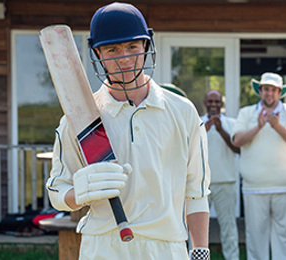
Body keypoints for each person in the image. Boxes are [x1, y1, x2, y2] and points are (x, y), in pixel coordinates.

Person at [45, 3, 210, 259]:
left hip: (166, 246)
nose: (124, 58)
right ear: (98, 54)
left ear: (146, 46)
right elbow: (56, 190)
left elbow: (196, 191)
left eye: (132, 46)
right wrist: (79, 193)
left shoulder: (183, 112)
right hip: (103, 246)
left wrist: (200, 252)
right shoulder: (78, 119)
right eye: (112, 49)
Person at [231, 72, 286, 260]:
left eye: (273, 90)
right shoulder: (246, 112)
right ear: (260, 91)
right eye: (266, 89)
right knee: (256, 238)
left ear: (280, 92)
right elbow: (237, 140)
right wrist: (258, 126)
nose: (269, 94)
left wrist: (277, 127)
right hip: (254, 188)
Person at [201, 90, 240, 260]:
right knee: (198, 230)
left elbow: (237, 149)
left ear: (221, 104)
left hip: (226, 182)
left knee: (229, 228)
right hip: (201, 183)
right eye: (210, 101)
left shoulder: (231, 123)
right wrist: (204, 131)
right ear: (205, 103)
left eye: (217, 102)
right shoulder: (197, 123)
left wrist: (221, 130)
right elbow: (188, 150)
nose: (214, 105)